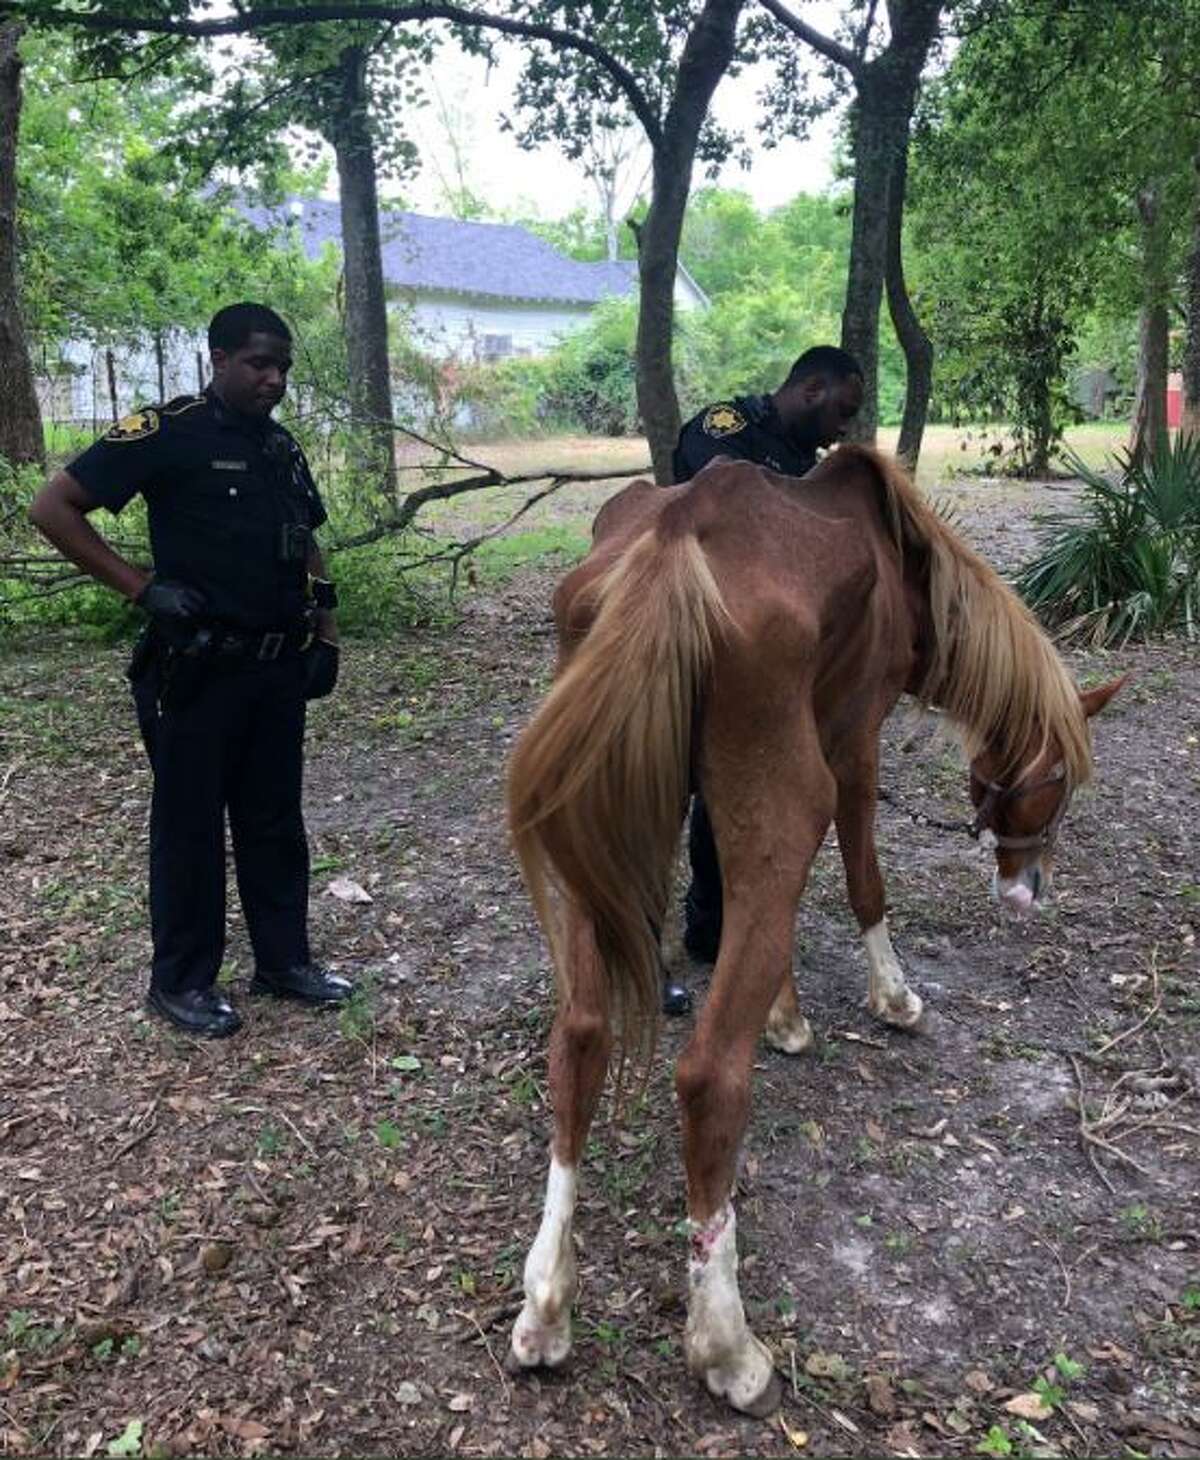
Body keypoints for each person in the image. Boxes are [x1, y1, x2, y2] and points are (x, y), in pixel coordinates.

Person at [28, 302, 353, 1038]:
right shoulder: (167, 433)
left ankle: (284, 962)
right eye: (259, 364)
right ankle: (181, 982)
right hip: (196, 670)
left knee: (274, 821)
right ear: (218, 358)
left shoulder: (280, 449)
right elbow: (53, 507)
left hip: (275, 668)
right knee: (190, 828)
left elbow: (309, 546)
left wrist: (327, 635)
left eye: (283, 368)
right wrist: (140, 586)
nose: (274, 379)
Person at [662, 345, 865, 1015]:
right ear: (811, 388)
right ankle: (635, 945)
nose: (843, 429)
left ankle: (711, 927)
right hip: (687, 632)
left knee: (729, 792)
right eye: (841, 411)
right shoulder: (722, 429)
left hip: (759, 651)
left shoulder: (809, 468)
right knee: (660, 788)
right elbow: (709, 511)